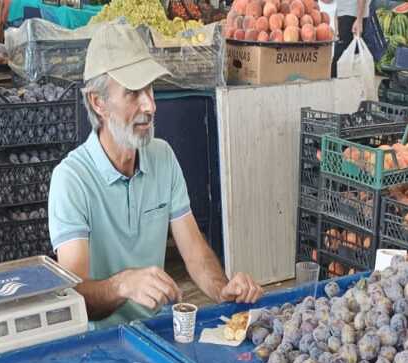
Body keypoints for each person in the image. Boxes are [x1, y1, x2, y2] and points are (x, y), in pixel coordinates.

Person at [48, 25, 263, 328]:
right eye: (133, 93)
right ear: (99, 103)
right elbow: (74, 294)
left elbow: (195, 251)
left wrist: (222, 289)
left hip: (155, 329)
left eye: (149, 89)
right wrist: (121, 285)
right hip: (97, 343)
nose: (150, 105)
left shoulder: (162, 157)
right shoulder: (71, 179)